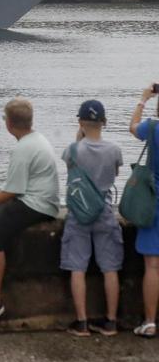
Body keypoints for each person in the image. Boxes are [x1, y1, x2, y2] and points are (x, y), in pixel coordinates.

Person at [0, 98, 60, 328]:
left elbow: (12, 191)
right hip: (42, 199)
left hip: (37, 204)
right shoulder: (35, 139)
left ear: (8, 123)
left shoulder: (22, 148)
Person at [60, 100, 123, 337]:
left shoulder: (72, 149)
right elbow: (114, 174)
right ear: (104, 122)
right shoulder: (115, 149)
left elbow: (72, 172)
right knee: (110, 268)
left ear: (80, 122)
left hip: (79, 214)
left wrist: (78, 140)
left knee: (78, 267)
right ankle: (111, 322)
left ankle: (82, 322)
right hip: (104, 211)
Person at [130, 83, 159, 337]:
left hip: (154, 202)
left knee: (152, 265)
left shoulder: (153, 129)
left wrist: (143, 99)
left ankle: (150, 322)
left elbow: (132, 127)